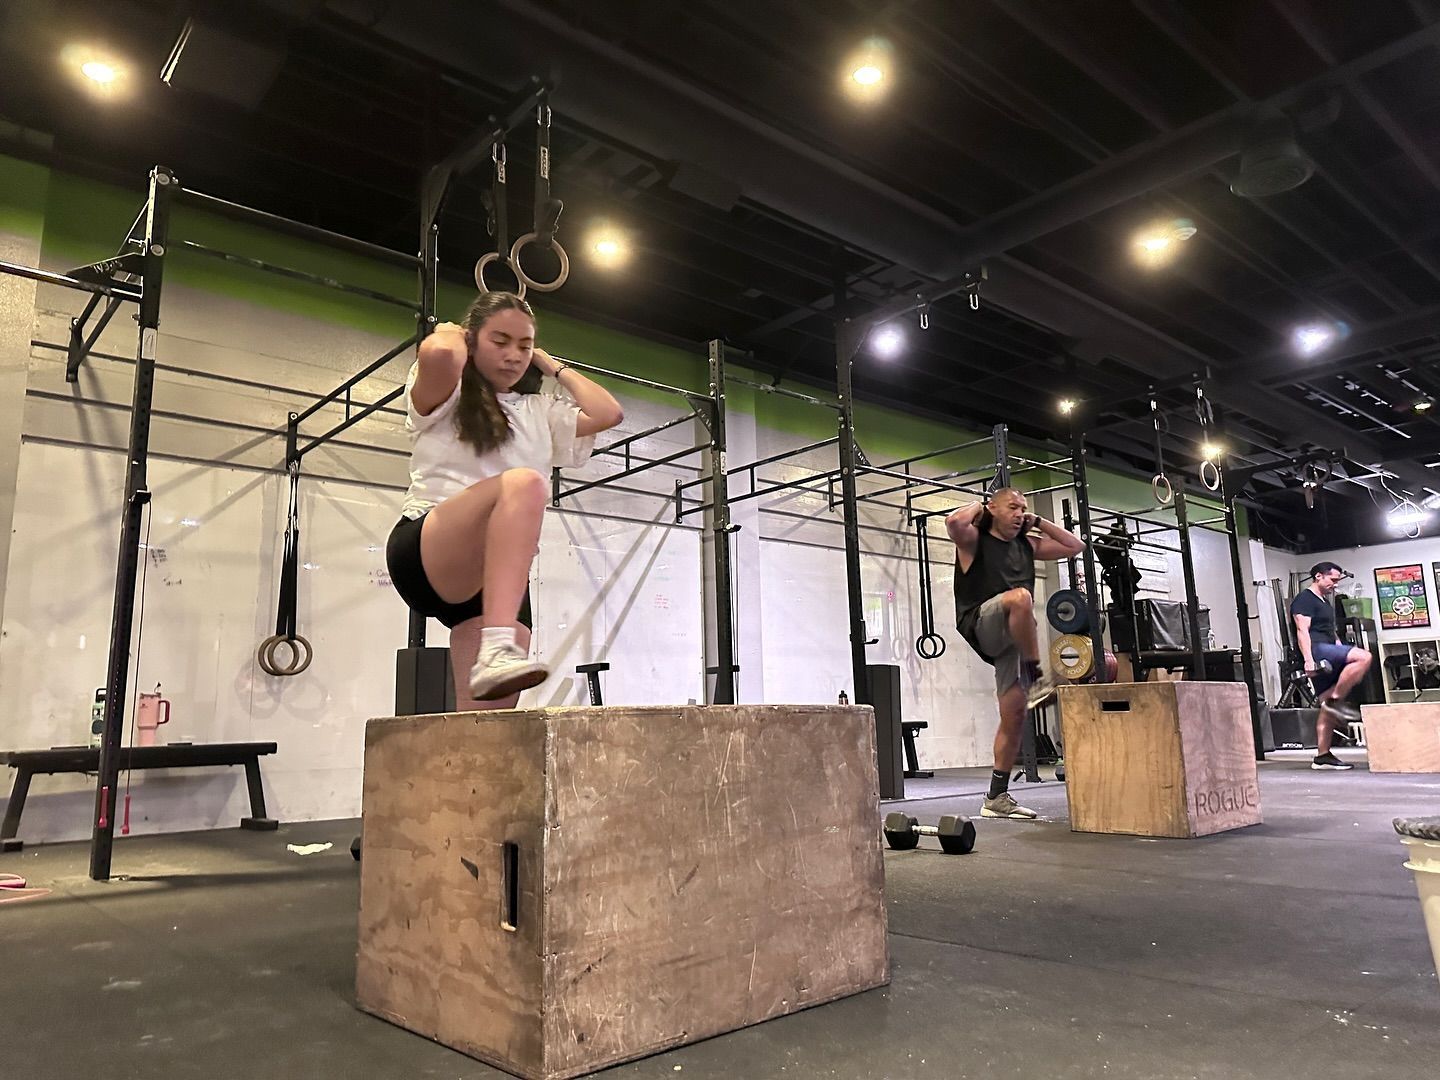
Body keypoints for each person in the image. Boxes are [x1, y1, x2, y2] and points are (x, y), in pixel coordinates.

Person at [386, 292, 624, 708]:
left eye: (524, 346)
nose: (514, 355)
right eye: (501, 341)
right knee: (525, 484)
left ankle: (492, 663)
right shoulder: (448, 394)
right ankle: (497, 648)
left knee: (487, 732)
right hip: (427, 551)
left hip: (492, 584)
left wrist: (552, 365)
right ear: (472, 339)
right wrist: (461, 332)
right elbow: (439, 351)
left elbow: (608, 413)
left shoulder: (539, 411)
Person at [947, 486, 1086, 819]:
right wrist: (980, 507)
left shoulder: (1028, 544)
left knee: (1014, 715)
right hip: (981, 621)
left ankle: (996, 796)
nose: (1019, 513)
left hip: (1013, 638)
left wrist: (1039, 520)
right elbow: (954, 522)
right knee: (1021, 597)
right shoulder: (974, 541)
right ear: (993, 508)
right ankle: (1036, 672)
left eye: (1023, 509)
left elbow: (1075, 546)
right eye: (1012, 507)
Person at [1290, 562, 1371, 770]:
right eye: (1332, 580)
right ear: (1318, 576)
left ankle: (1322, 755)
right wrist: (1308, 660)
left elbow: (1330, 631)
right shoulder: (1304, 599)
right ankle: (1337, 699)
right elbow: (1302, 631)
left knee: (1327, 708)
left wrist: (1339, 648)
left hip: (1327, 648)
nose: (1335, 585)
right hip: (1317, 650)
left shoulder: (1324, 602)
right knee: (1364, 657)